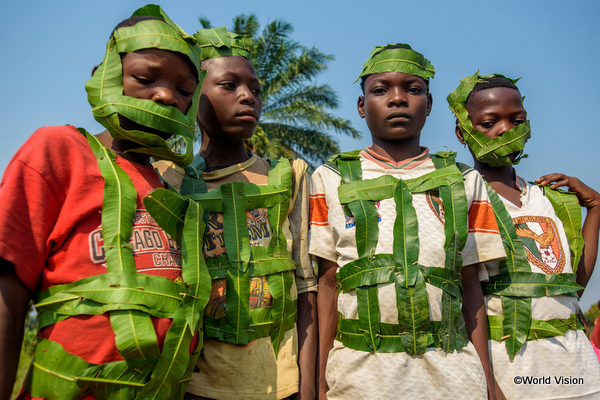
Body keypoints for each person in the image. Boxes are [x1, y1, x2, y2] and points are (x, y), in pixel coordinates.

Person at [0, 5, 208, 399]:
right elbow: (6, 302)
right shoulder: (58, 151)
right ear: (105, 77)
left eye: (184, 90)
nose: (165, 96)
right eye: (146, 78)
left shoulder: (176, 188)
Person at [309, 43, 506, 400]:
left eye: (413, 89)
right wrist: (320, 383)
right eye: (380, 90)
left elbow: (471, 286)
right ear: (361, 106)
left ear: (429, 105)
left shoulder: (463, 181)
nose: (397, 99)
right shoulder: (329, 178)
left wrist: (489, 382)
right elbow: (327, 282)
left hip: (454, 377)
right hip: (358, 376)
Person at [153, 27, 317, 400]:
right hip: (197, 388)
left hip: (283, 385)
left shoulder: (289, 177)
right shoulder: (169, 180)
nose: (247, 97)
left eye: (255, 89)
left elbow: (306, 284)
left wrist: (305, 387)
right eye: (229, 85)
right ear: (192, 97)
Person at [448, 72, 600, 399]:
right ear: (462, 133)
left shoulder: (548, 199)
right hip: (513, 373)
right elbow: (465, 303)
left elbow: (571, 286)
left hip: (581, 372)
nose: (505, 130)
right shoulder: (461, 199)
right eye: (489, 123)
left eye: (516, 121)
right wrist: (488, 385)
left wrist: (596, 208)